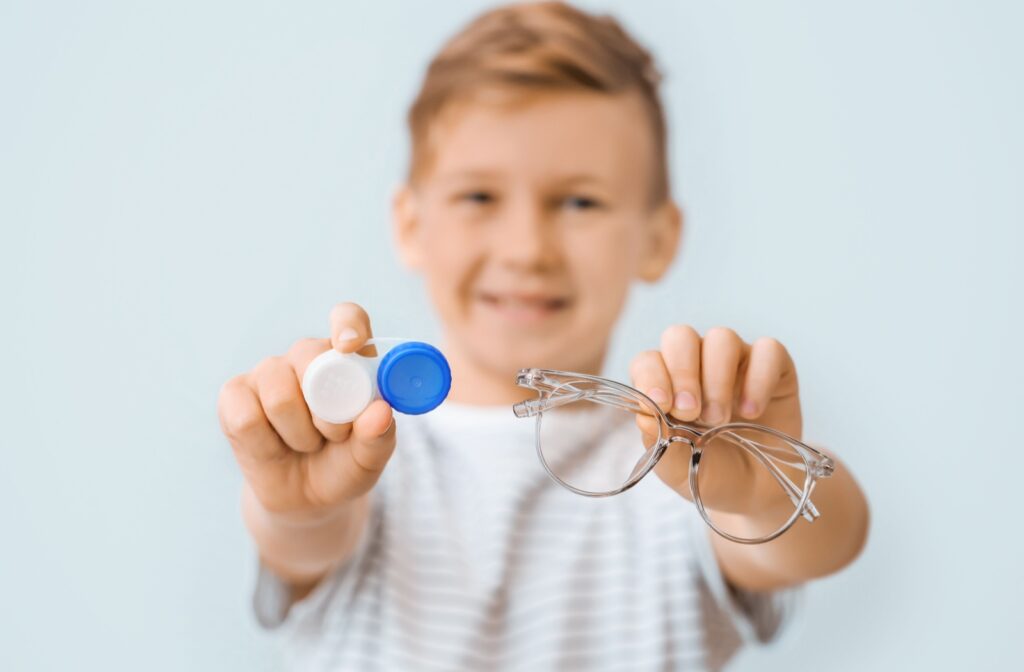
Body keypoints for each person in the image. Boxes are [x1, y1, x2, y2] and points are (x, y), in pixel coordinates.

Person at [216, 2, 870, 669]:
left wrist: (763, 490)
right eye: (479, 198)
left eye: (580, 202)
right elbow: (304, 537)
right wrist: (296, 508)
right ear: (411, 225)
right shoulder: (361, 459)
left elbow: (827, 540)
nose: (526, 249)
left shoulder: (681, 465)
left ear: (658, 238)